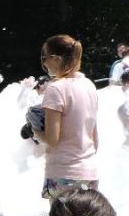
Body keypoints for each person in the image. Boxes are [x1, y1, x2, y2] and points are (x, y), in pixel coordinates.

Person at [34, 35, 99, 201]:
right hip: (89, 172)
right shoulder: (89, 85)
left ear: (56, 59)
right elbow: (94, 137)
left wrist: (34, 130)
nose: (44, 64)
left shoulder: (55, 89)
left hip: (64, 173)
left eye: (44, 58)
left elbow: (52, 139)